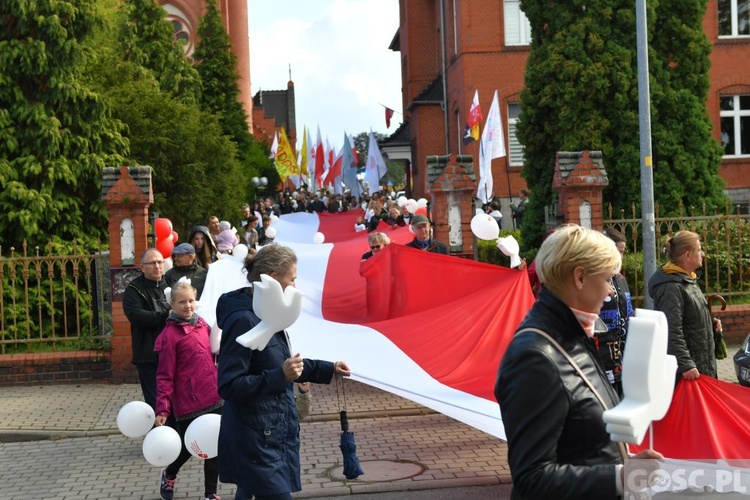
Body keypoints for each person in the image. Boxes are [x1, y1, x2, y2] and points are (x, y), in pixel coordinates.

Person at [495, 224, 661, 499]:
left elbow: (585, 444)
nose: (610, 292)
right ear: (580, 277)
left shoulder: (571, 335)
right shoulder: (535, 357)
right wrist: (619, 478)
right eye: (607, 278)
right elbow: (531, 478)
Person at [216, 245, 351, 500]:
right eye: (292, 279)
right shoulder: (244, 319)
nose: (295, 286)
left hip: (266, 433)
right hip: (257, 438)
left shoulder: (268, 313)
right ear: (273, 276)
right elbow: (229, 385)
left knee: (247, 491)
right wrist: (280, 376)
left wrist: (328, 369)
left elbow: (284, 363)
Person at [154, 280, 223, 500]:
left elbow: (215, 348)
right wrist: (163, 409)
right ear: (172, 304)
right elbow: (164, 375)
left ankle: (210, 494)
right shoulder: (169, 336)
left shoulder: (202, 323)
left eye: (191, 300)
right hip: (188, 401)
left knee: (214, 447)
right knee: (187, 447)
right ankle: (170, 473)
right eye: (182, 302)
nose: (188, 306)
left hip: (214, 394)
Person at [649, 230, 720, 380]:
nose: (703, 254)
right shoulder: (671, 287)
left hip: (700, 366)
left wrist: (710, 323)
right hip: (687, 373)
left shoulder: (687, 280)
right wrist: (685, 364)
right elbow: (671, 329)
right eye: (699, 250)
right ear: (687, 255)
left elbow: (689, 318)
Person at [123, 248, 175, 409]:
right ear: (142, 267)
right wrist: (166, 315)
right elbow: (136, 315)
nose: (157, 266)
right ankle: (158, 431)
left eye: (160, 262)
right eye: (152, 263)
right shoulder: (134, 289)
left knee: (175, 399)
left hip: (173, 351)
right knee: (156, 400)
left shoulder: (172, 284)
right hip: (148, 353)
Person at [595, 228, 633, 396]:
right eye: (617, 252)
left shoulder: (621, 279)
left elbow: (628, 313)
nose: (621, 258)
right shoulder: (594, 278)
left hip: (624, 357)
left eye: (622, 252)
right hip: (602, 358)